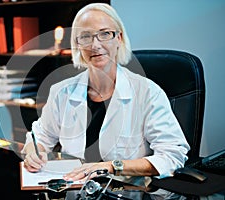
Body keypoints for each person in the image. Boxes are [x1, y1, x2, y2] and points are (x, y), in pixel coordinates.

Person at [22, 3, 190, 181]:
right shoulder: (61, 92)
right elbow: (40, 136)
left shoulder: (148, 93)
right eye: (85, 37)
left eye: (104, 34)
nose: (95, 45)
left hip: (128, 192)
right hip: (75, 189)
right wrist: (34, 152)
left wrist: (110, 167)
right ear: (77, 45)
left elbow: (172, 156)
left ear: (119, 38)